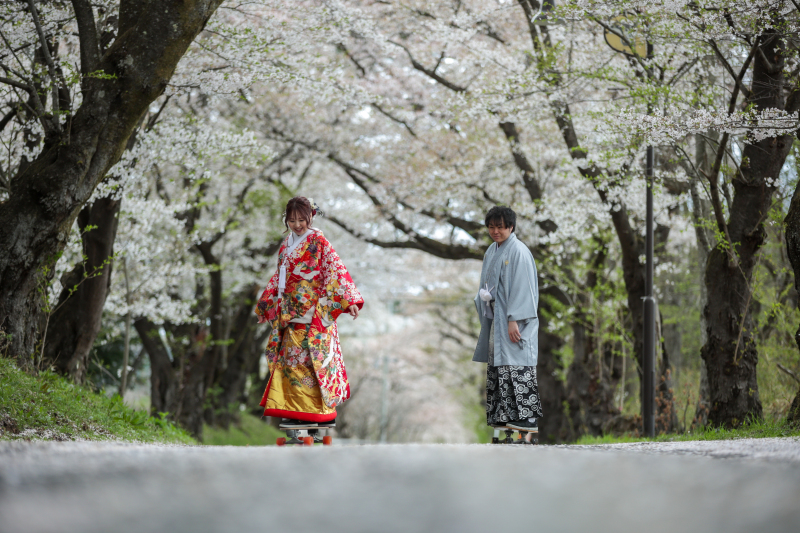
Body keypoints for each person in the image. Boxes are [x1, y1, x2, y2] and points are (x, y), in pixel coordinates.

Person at [255, 196, 364, 429]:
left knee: (314, 364)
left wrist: (348, 300)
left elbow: (335, 269)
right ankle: (293, 411)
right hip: (288, 313)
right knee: (291, 364)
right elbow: (278, 277)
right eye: (292, 220)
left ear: (310, 217)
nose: (296, 225)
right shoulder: (286, 245)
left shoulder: (318, 241)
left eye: (301, 220)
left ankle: (317, 414)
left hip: (313, 314)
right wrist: (266, 304)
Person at [473, 205, 543, 433]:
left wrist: (514, 318)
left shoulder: (519, 251)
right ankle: (504, 415)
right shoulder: (491, 251)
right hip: (498, 319)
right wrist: (484, 297)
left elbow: (524, 288)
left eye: (500, 227)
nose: (495, 232)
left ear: (511, 227)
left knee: (518, 366)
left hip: (515, 321)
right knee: (500, 367)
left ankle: (527, 418)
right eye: (492, 227)